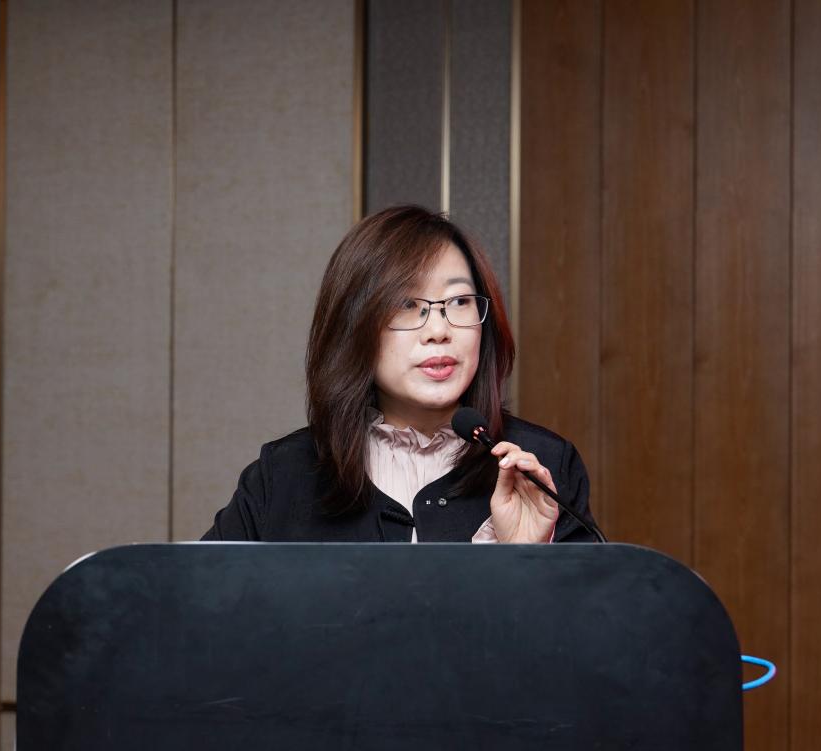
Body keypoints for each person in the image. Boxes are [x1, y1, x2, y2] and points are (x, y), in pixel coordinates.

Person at [202, 205, 600, 543]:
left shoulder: (543, 468)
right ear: (353, 327)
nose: (439, 330)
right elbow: (198, 601)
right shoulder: (285, 474)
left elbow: (598, 609)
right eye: (408, 304)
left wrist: (528, 561)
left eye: (459, 301)